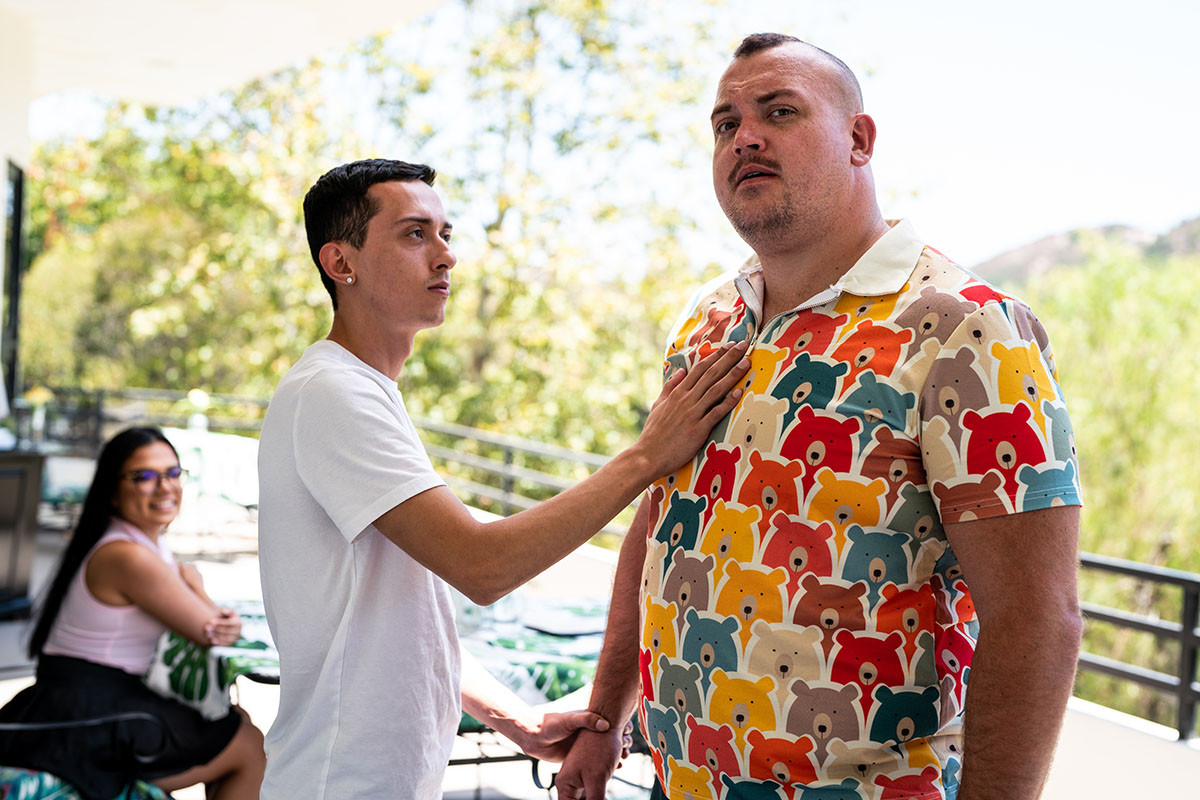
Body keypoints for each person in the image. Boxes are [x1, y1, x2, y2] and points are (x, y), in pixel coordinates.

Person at [556, 33, 1084, 800]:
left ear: (859, 140)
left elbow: (1037, 620)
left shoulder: (964, 329)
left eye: (780, 112)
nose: (745, 137)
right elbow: (660, 518)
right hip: (678, 782)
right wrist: (605, 715)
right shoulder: (710, 320)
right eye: (725, 123)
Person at [255, 158, 750, 798]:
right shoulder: (330, 392)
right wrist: (647, 456)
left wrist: (515, 720)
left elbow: (402, 615)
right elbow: (481, 566)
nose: (445, 256)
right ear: (340, 262)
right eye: (414, 234)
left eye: (445, 234)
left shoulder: (362, 390)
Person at [0, 426, 266, 800]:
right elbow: (215, 631)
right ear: (113, 490)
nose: (165, 486)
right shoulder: (129, 556)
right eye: (144, 476)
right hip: (89, 712)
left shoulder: (136, 543)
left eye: (173, 472)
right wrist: (196, 586)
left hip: (88, 700)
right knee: (249, 745)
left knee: (235, 724)